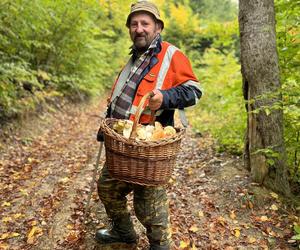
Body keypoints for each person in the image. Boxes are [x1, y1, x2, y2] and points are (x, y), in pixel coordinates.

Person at [95, 1, 202, 249]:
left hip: (149, 148)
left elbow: (195, 92)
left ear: (157, 27)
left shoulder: (171, 55)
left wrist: (166, 97)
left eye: (145, 23)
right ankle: (123, 232)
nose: (139, 28)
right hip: (123, 146)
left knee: (149, 204)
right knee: (107, 188)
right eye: (134, 24)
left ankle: (160, 244)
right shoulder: (133, 59)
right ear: (129, 29)